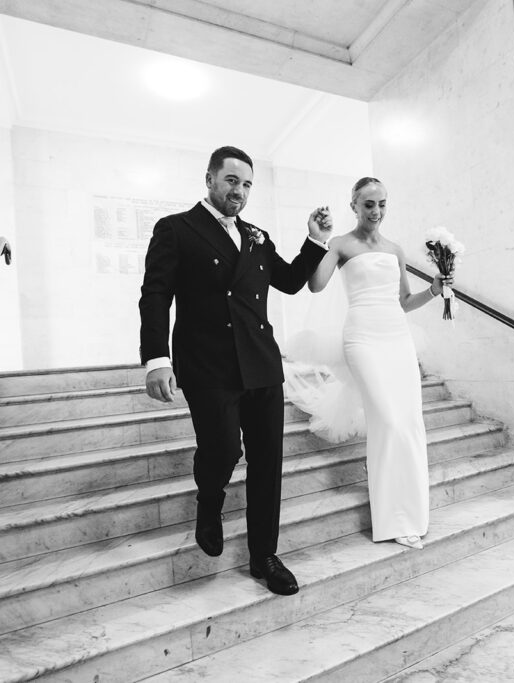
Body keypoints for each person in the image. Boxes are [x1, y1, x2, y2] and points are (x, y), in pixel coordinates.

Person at [138, 146, 332, 595]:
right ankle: (210, 498)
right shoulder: (176, 229)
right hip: (208, 365)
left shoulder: (256, 235)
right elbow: (155, 295)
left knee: (267, 463)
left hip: (262, 363)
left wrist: (315, 241)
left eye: (246, 185)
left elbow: (286, 280)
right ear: (209, 180)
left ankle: (265, 555)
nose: (239, 192)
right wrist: (156, 359)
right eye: (231, 181)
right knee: (223, 449)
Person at [304, 177, 450, 550]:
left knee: (410, 422)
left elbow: (403, 301)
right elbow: (316, 285)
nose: (377, 212)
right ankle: (392, 519)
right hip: (362, 339)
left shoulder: (395, 249)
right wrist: (318, 239)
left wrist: (434, 290)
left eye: (382, 203)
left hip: (397, 337)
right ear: (353, 206)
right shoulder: (340, 244)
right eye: (369, 204)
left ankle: (414, 515)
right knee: (386, 420)